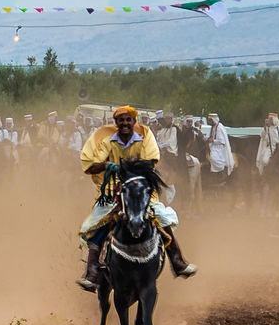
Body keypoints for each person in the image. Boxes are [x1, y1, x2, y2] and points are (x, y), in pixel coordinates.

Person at [76, 105, 196, 291]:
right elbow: (90, 165)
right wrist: (106, 165)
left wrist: (129, 170)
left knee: (160, 217)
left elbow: (151, 162)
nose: (124, 123)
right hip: (111, 191)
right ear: (116, 123)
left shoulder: (145, 137)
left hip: (140, 188)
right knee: (97, 223)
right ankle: (92, 271)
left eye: (128, 120)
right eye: (121, 120)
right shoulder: (106, 140)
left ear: (134, 122)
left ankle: (177, 260)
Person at [205, 113, 235, 180]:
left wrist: (212, 140)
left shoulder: (219, 127)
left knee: (213, 158)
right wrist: (206, 139)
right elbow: (207, 136)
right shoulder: (212, 127)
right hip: (212, 147)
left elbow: (222, 141)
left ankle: (222, 171)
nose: (209, 122)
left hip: (219, 148)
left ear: (214, 120)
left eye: (210, 120)